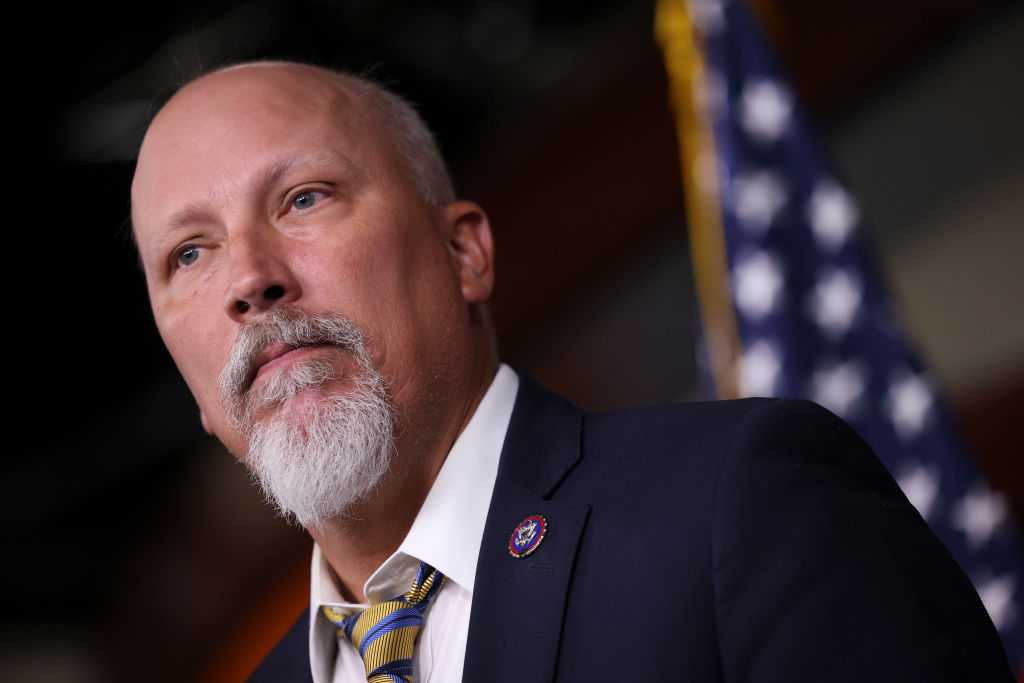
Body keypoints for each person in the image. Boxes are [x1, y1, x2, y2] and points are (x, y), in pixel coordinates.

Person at [129, 60, 1013, 682]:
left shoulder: (741, 502)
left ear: (464, 253)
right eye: (189, 254)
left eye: (303, 198)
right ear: (195, 388)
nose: (250, 280)